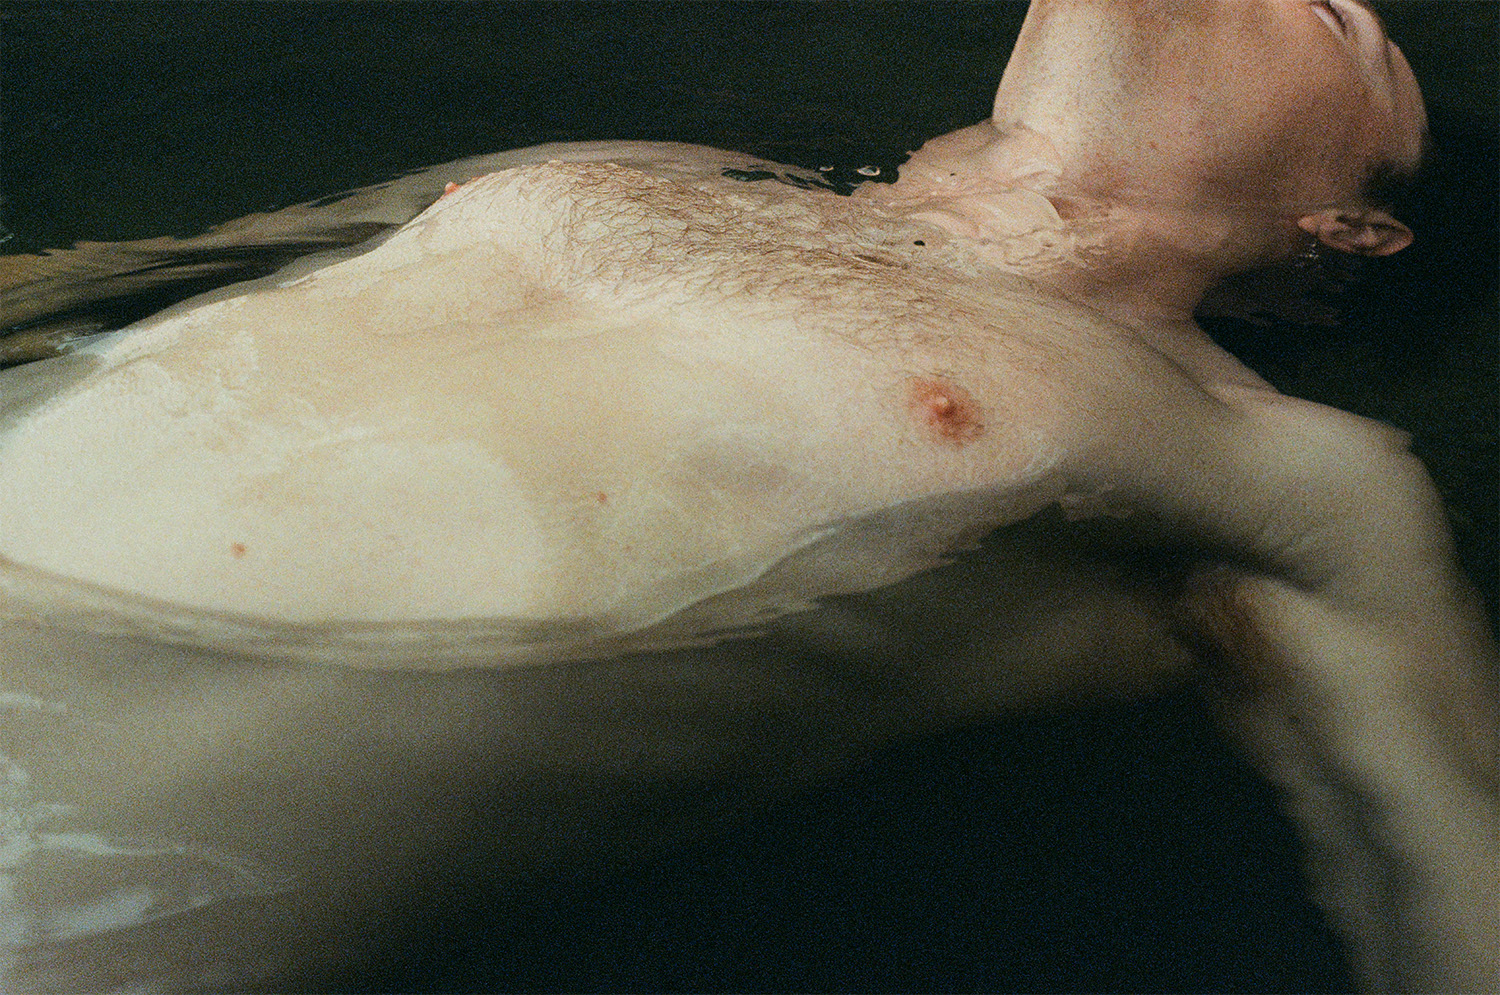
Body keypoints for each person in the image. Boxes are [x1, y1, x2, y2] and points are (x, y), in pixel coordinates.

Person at [0, 1, 1492, 990]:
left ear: (1349, 229)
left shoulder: (1276, 465)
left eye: (1347, 23)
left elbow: (1452, 866)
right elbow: (115, 285)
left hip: (107, 839)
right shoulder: (659, 170)